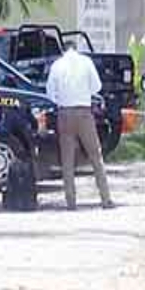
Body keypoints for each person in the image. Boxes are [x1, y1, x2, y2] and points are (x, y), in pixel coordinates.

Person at [46, 44, 114, 210]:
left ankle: (71, 201)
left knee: (67, 158)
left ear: (63, 50)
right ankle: (105, 198)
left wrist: (61, 101)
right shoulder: (86, 62)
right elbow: (97, 87)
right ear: (76, 48)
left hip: (65, 113)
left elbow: (50, 92)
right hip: (84, 113)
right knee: (95, 156)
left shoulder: (57, 65)